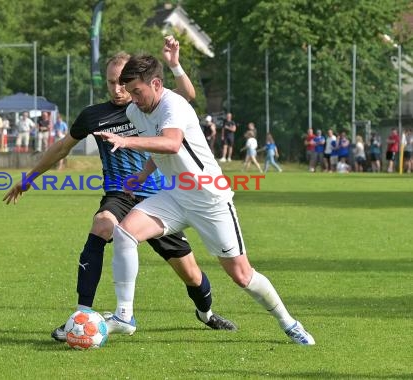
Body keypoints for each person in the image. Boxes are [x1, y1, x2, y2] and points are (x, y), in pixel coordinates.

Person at [3, 36, 237, 343]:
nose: (117, 90)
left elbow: (188, 95)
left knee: (191, 274)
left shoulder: (151, 108)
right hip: (119, 195)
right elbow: (61, 148)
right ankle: (81, 316)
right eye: (111, 83)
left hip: (159, 198)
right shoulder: (94, 115)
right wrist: (29, 178)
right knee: (102, 225)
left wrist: (175, 63)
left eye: (122, 84)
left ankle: (205, 313)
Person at [95, 53, 315, 345]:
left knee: (242, 276)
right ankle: (124, 316)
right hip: (175, 194)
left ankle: (289, 323)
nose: (133, 99)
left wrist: (127, 141)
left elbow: (172, 143)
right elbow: (159, 150)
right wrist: (144, 175)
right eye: (130, 92)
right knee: (125, 233)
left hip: (209, 198)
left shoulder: (174, 105)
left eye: (137, 91)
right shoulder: (137, 112)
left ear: (157, 84)